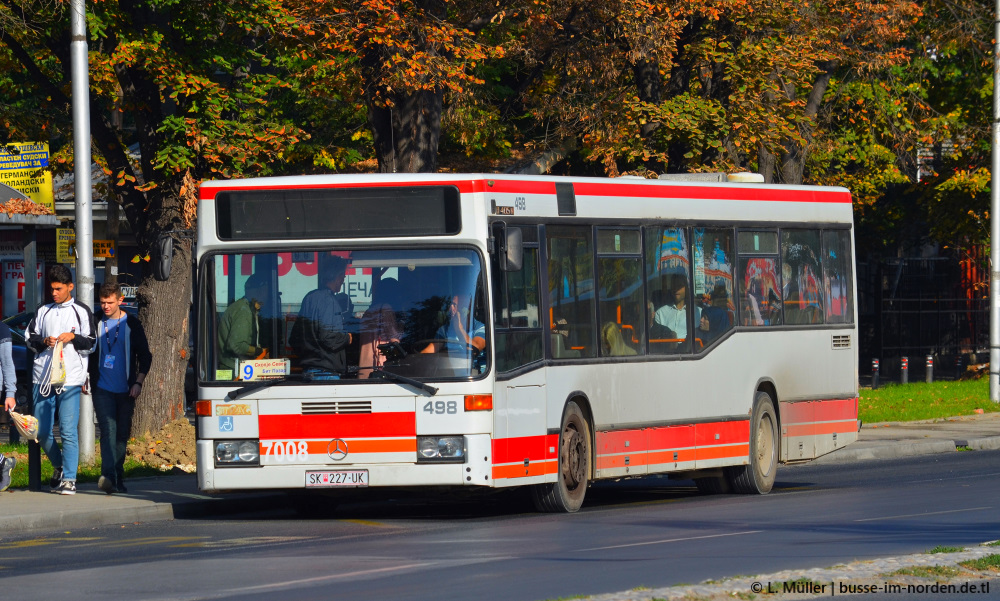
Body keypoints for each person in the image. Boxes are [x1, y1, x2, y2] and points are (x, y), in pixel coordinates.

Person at [25, 264, 95, 495]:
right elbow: (29, 338)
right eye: (51, 289)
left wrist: (73, 337)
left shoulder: (81, 310)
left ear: (70, 287)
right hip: (42, 377)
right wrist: (44, 341)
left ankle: (70, 479)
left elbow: (92, 342)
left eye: (58, 289)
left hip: (70, 378)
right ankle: (59, 465)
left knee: (67, 430)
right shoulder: (43, 310)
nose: (53, 293)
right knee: (41, 431)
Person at [89, 282, 152, 494]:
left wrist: (138, 383)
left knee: (121, 435)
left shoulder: (132, 324)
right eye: (102, 302)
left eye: (110, 302)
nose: (105, 306)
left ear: (120, 301)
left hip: (126, 389)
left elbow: (145, 356)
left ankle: (118, 474)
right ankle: (108, 476)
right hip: (102, 388)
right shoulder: (95, 320)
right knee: (108, 430)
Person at [291, 256, 353, 379]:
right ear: (337, 276)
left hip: (308, 371)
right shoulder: (329, 301)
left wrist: (309, 357)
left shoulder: (309, 298)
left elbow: (294, 338)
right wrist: (347, 338)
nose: (343, 281)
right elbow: (328, 337)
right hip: (327, 373)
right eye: (343, 277)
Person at [218, 272, 270, 374]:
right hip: (233, 372)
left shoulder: (246, 308)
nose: (268, 295)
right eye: (267, 290)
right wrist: (261, 352)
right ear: (260, 291)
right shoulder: (244, 311)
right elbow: (236, 345)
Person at [358, 280, 402, 379]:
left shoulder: (368, 312)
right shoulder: (385, 308)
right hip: (379, 367)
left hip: (364, 367)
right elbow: (394, 339)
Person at [421, 293, 485, 355]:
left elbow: (474, 351)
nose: (450, 310)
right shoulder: (445, 330)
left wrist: (459, 329)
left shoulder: (480, 328)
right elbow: (428, 352)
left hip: (472, 365)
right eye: (450, 305)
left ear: (466, 309)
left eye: (454, 305)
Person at [1, 320, 19, 491]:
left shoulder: (2, 329)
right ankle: (4, 463)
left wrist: (10, 393)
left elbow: (7, 362)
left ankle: (3, 464)